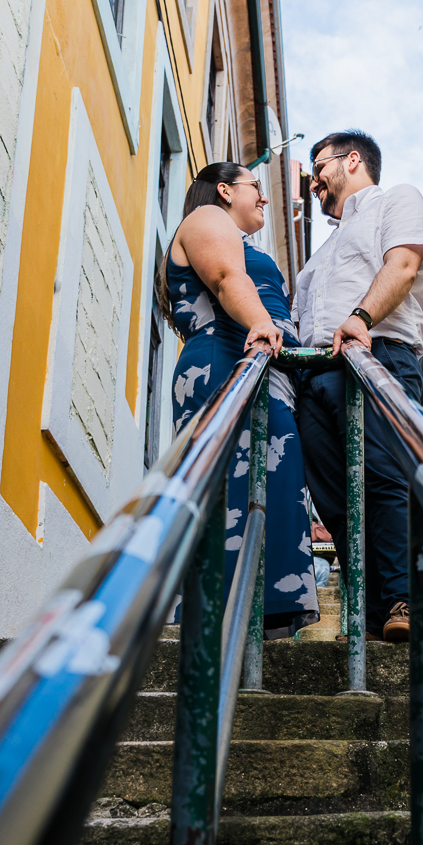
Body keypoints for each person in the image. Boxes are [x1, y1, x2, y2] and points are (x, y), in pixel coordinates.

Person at [159, 161, 318, 637]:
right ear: (224, 190)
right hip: (227, 363)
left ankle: (252, 626)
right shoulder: (207, 220)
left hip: (259, 369)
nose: (264, 197)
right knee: (230, 492)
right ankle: (217, 625)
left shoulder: (235, 233)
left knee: (267, 490)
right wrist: (262, 324)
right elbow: (228, 277)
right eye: (256, 187)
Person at [293, 131, 423, 643]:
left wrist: (360, 317)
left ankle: (402, 595)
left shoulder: (397, 200)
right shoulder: (322, 251)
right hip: (314, 374)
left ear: (352, 160)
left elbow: (403, 265)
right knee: (333, 496)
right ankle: (372, 610)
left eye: (319, 166)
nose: (314, 180)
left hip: (376, 354)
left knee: (382, 476)